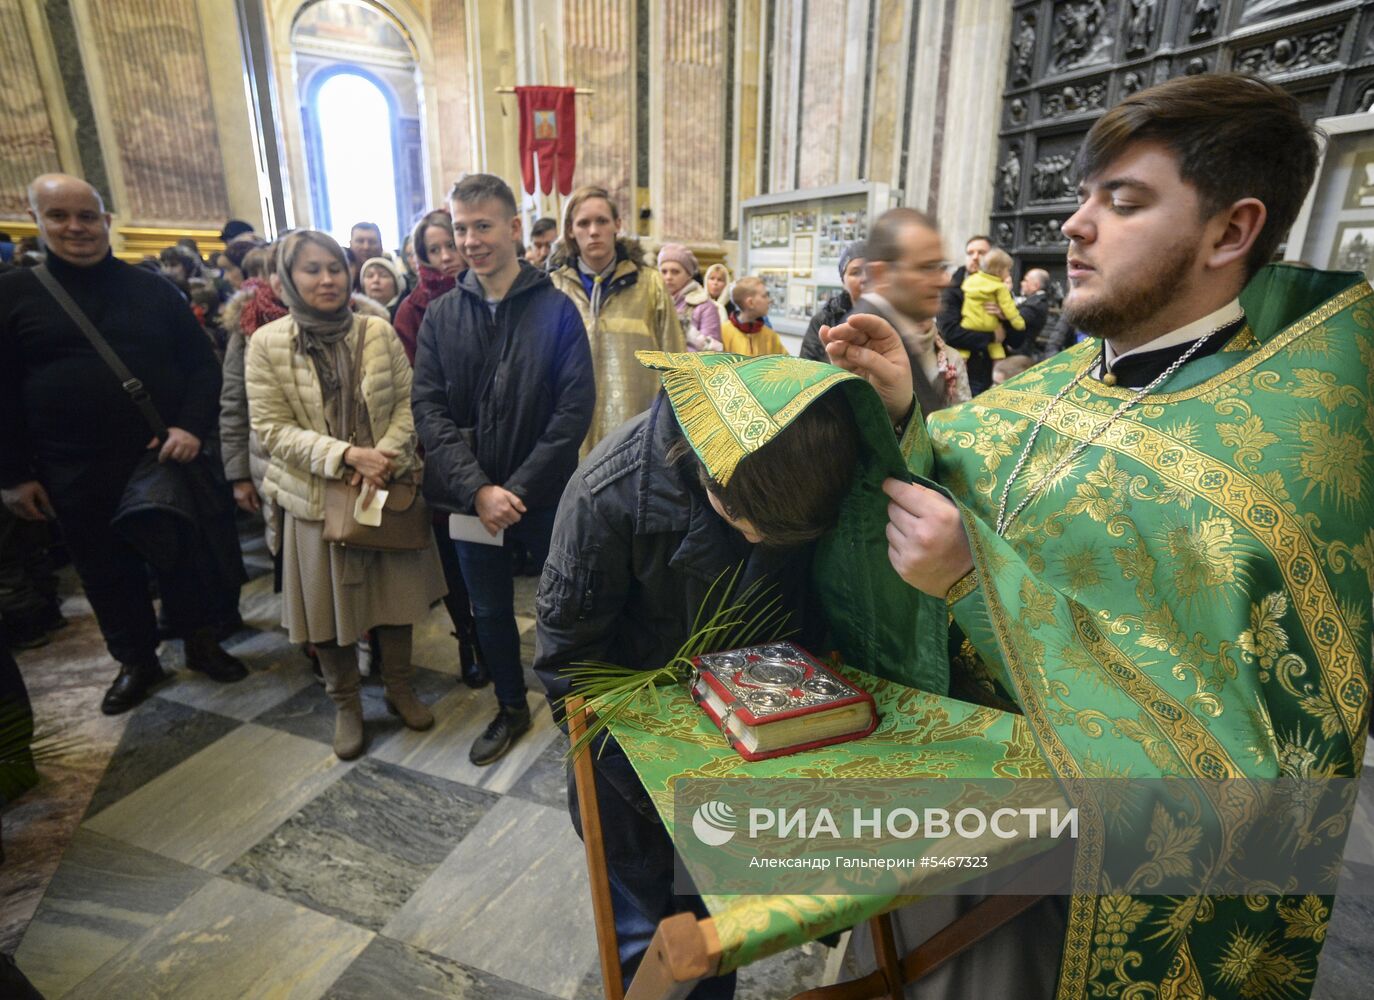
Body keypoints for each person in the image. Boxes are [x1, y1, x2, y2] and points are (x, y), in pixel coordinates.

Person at [825, 72, 1370, 999]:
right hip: (929, 818)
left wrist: (976, 584)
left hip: (1066, 895)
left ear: (1231, 231)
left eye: (1123, 202)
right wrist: (904, 418)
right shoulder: (1057, 380)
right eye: (1083, 195)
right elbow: (975, 484)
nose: (1075, 224)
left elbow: (1258, 760)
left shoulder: (1295, 450)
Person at [536, 348, 950, 997]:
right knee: (666, 940)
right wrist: (666, 795)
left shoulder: (814, 450)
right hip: (639, 775)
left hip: (772, 743)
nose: (757, 540)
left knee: (733, 934)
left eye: (778, 536)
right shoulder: (608, 493)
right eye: (739, 520)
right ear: (700, 469)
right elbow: (570, 669)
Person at [0, 174, 247, 714]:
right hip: (69, 465)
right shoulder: (13, 294)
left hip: (159, 455)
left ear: (106, 222)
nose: (75, 227)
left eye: (87, 216)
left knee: (184, 557)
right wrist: (14, 474)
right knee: (103, 568)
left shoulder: (153, 289)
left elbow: (202, 370)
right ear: (37, 220)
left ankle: (201, 642)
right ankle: (136, 660)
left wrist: (188, 427)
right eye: (59, 216)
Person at [413, 174, 594, 766]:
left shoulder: (556, 311)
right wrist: (477, 489)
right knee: (488, 610)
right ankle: (511, 707)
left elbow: (573, 411)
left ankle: (573, 709)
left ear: (514, 228)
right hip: (471, 499)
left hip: (541, 496)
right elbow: (429, 408)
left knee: (565, 603)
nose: (469, 240)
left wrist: (513, 491)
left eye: (482, 226)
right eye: (460, 228)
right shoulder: (441, 315)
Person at [245, 230, 446, 760]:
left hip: (382, 487)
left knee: (394, 601)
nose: (328, 278)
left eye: (335, 267)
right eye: (312, 269)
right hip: (314, 499)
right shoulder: (266, 343)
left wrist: (383, 456)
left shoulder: (377, 331)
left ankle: (400, 687)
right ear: (287, 279)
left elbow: (408, 401)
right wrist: (344, 456)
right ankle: (346, 706)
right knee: (328, 613)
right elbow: (271, 428)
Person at [548, 186, 683, 452]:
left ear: (617, 225)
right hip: (570, 436)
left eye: (602, 221)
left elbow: (675, 358)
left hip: (636, 433)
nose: (594, 231)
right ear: (571, 231)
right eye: (583, 223)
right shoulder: (555, 287)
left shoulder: (650, 284)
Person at [847, 208, 970, 415]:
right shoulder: (863, 341)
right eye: (927, 268)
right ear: (881, 273)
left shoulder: (897, 329)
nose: (945, 280)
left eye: (941, 267)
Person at [935, 233, 1007, 394]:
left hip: (993, 373)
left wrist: (1006, 318)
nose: (975, 257)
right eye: (970, 253)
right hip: (965, 372)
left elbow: (1016, 338)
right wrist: (992, 336)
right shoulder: (952, 290)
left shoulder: (1001, 287)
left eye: (981, 253)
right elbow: (949, 332)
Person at [393, 210, 464, 365]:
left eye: (451, 245)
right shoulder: (411, 310)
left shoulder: (488, 290)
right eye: (434, 250)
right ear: (424, 256)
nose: (445, 257)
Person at [956, 247, 1024, 370]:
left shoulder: (969, 281)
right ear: (999, 271)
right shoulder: (999, 287)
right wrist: (1017, 322)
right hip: (990, 326)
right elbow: (1009, 308)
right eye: (1008, 270)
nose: (1009, 274)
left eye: (980, 252)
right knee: (997, 350)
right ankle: (997, 376)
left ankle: (960, 373)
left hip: (968, 324)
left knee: (962, 353)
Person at [800, 240, 866, 361]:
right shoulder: (824, 320)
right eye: (855, 272)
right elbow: (805, 370)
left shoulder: (898, 317)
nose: (865, 278)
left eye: (871, 271)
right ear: (843, 282)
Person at [657, 243, 722, 352]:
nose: (668, 277)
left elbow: (713, 352)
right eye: (664, 272)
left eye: (675, 272)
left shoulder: (705, 307)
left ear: (688, 274)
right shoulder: (655, 302)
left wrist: (687, 330)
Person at [720, 276, 787, 356]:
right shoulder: (723, 332)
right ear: (750, 303)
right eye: (764, 296)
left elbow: (785, 363)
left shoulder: (770, 336)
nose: (769, 300)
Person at [1014, 267, 1052, 351]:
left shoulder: (1035, 305)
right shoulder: (1035, 300)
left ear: (1036, 285)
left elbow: (1014, 319)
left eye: (1025, 280)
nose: (1021, 283)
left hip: (1018, 351)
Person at [360, 256, 404, 322]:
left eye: (383, 275)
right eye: (370, 275)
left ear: (396, 284)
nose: (375, 280)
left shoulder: (406, 312)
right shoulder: (354, 314)